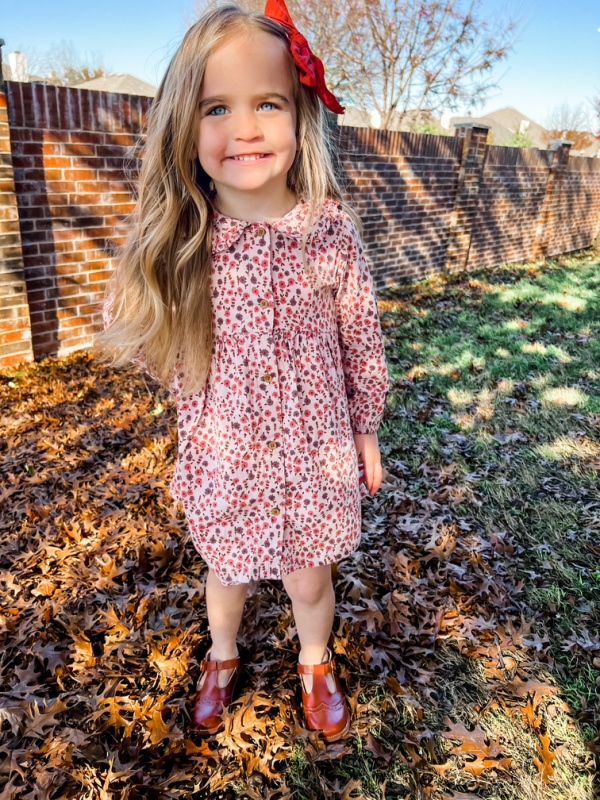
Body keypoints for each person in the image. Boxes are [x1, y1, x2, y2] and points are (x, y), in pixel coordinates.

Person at [96, 0, 389, 743]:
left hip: (314, 455)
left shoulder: (328, 230)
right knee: (226, 572)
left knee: (308, 575)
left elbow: (360, 334)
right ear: (184, 129)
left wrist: (366, 430)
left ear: (300, 115)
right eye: (217, 107)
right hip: (226, 456)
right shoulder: (187, 245)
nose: (246, 128)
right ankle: (222, 655)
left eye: (268, 103)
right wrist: (139, 278)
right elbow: (141, 341)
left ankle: (315, 661)